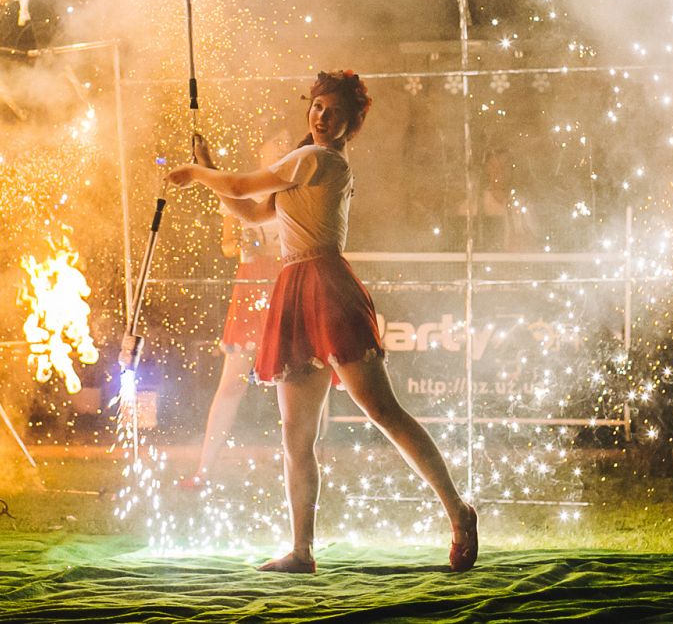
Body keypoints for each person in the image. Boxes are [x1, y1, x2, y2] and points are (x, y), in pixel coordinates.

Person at [168, 71, 478, 573]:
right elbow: (251, 212)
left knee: (383, 411)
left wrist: (197, 173)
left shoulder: (319, 159)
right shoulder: (302, 160)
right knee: (296, 436)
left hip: (327, 286)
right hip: (294, 288)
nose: (322, 116)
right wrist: (207, 169)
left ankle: (459, 511)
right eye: (317, 106)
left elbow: (242, 185)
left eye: (334, 112)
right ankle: (301, 550)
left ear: (351, 124)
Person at [178, 134, 286, 489]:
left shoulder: (292, 187)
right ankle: (204, 470)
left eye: (286, 141)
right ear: (261, 148)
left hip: (285, 281)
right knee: (231, 383)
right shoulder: (242, 189)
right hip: (251, 282)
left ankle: (295, 469)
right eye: (275, 141)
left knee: (293, 379)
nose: (281, 146)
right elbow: (227, 245)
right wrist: (242, 242)